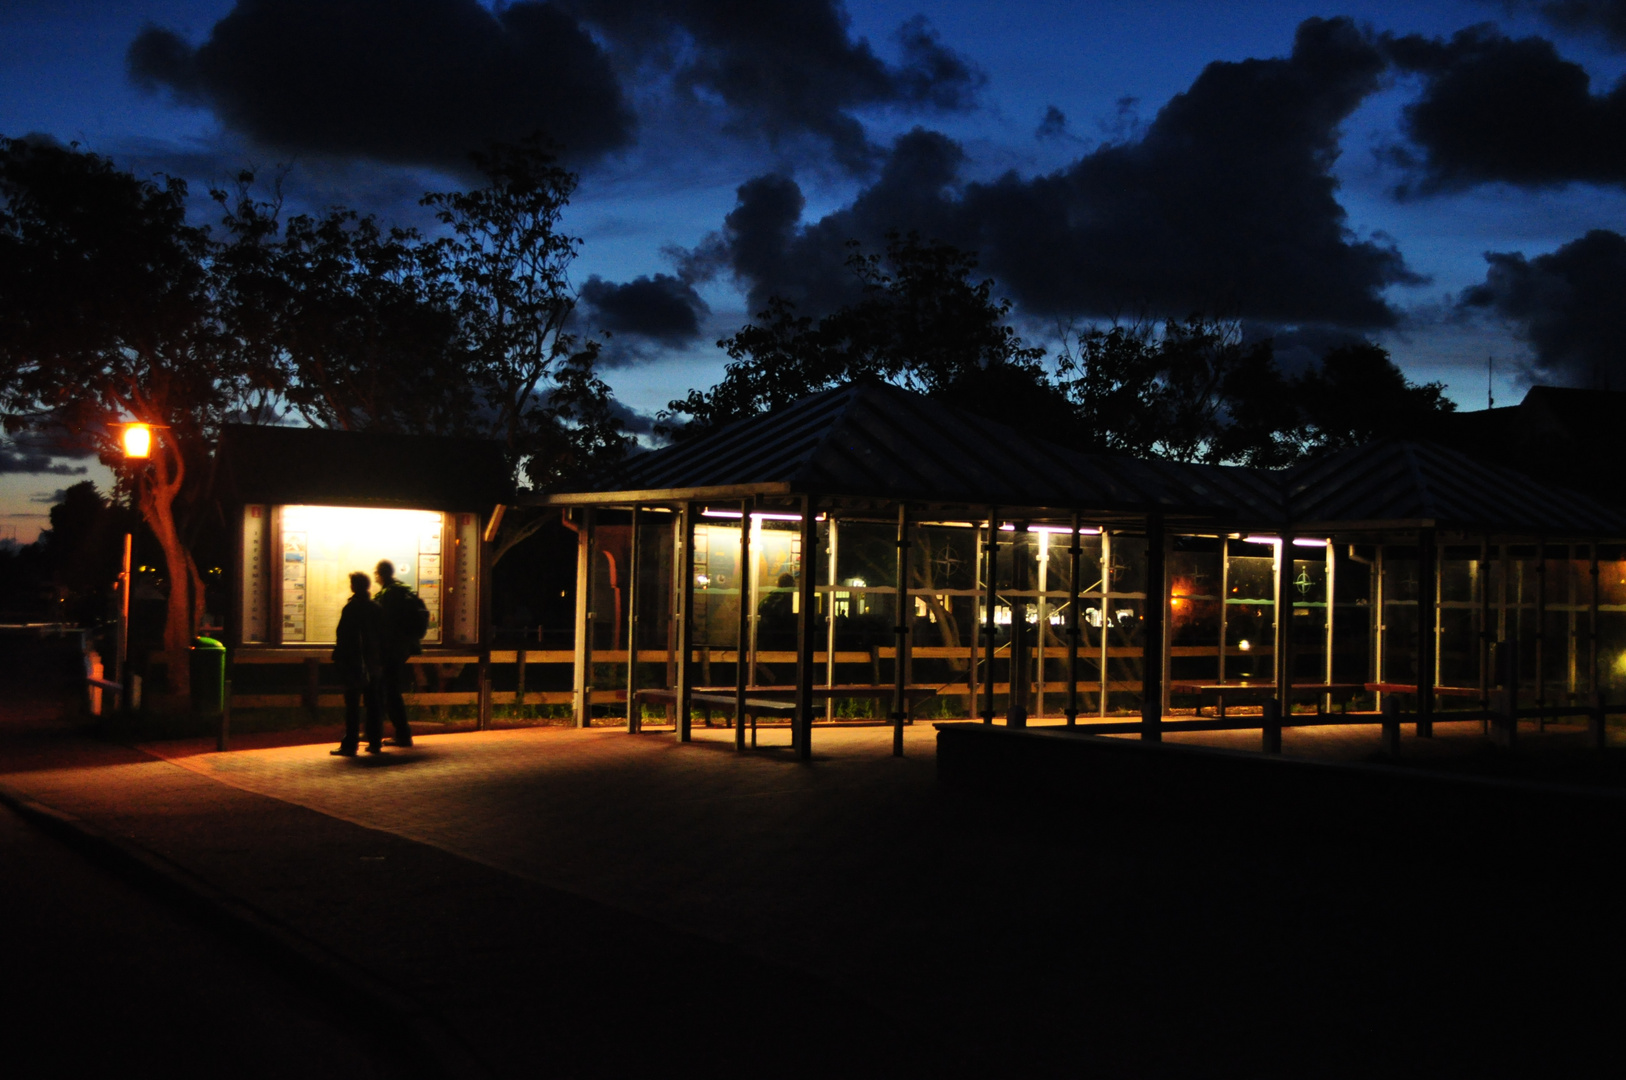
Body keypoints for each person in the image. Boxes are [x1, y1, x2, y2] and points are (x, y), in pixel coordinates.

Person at [331, 571, 385, 756]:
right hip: (374, 663)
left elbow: (343, 636)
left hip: (354, 663)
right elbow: (382, 637)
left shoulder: (352, 608)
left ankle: (350, 744)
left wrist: (340, 658)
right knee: (373, 703)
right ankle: (375, 741)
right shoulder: (376, 608)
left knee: (352, 705)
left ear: (354, 586)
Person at [373, 559, 426, 748]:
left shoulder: (389, 594)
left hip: (390, 649)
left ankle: (402, 734)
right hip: (402, 647)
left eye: (376, 573)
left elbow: (383, 624)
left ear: (380, 574)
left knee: (390, 692)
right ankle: (392, 732)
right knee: (389, 690)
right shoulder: (402, 590)